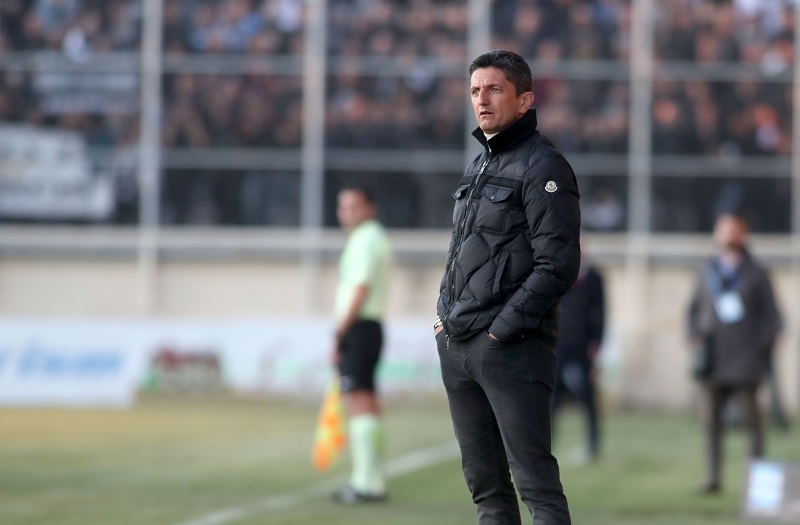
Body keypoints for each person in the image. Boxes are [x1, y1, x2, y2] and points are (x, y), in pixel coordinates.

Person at [434, 49, 581, 525]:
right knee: (488, 495)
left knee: (537, 488)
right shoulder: (479, 164)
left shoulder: (545, 167)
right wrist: (442, 317)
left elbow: (558, 265)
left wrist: (502, 330)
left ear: (525, 100)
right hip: (458, 343)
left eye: (494, 89)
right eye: (475, 90)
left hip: (511, 347)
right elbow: (462, 251)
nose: (482, 99)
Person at [687, 212, 782, 495]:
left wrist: (759, 348)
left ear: (743, 234)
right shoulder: (707, 270)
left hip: (744, 362)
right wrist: (694, 337)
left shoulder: (757, 273)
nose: (728, 234)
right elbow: (692, 311)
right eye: (724, 229)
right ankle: (712, 478)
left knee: (752, 426)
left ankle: (756, 484)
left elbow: (772, 318)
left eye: (734, 229)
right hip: (712, 360)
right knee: (711, 425)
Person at [330, 186, 392, 504]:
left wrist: (341, 331)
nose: (348, 212)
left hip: (360, 326)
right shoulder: (369, 237)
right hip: (367, 327)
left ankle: (365, 483)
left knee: (358, 400)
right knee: (365, 399)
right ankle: (372, 479)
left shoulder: (367, 238)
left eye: (355, 205)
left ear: (370, 208)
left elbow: (360, 287)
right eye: (344, 206)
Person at [551, 239, 605, 463]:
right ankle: (548, 443)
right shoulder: (558, 272)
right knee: (551, 396)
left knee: (587, 396)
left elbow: (601, 313)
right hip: (559, 344)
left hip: (583, 346)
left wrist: (597, 342)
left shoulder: (595, 278)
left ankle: (592, 444)